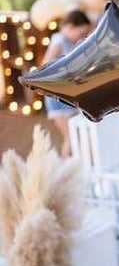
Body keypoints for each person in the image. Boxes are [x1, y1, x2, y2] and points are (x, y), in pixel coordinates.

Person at [41, 10, 92, 157]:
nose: (82, 37)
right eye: (81, 33)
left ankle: (73, 167)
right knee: (70, 137)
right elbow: (46, 65)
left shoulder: (68, 41)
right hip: (57, 98)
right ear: (70, 26)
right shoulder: (59, 39)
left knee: (74, 135)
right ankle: (66, 169)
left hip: (66, 96)